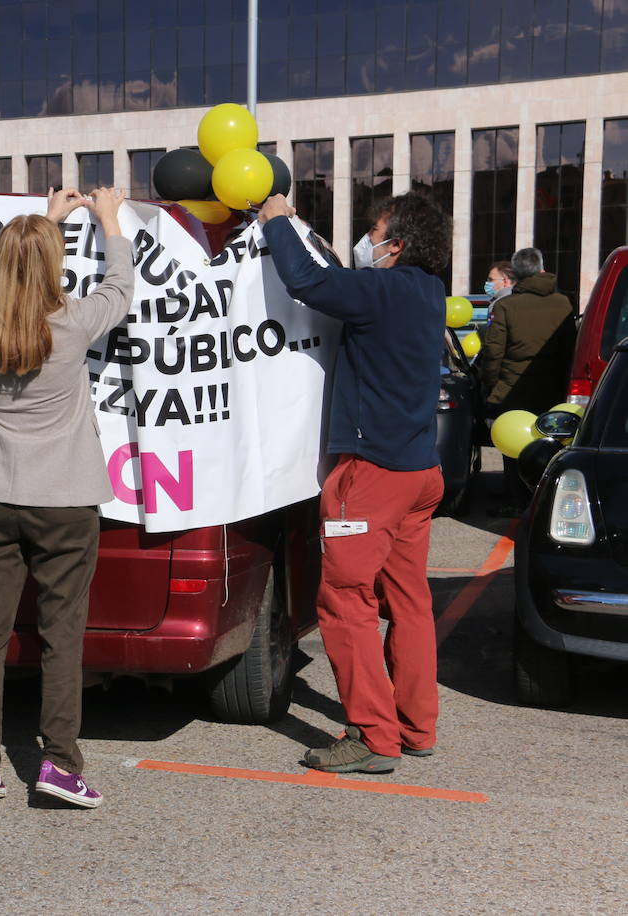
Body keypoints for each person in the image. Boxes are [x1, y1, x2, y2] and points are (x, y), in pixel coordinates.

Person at [0, 186, 131, 808]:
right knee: (61, 636)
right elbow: (121, 286)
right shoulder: (74, 323)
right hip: (64, 500)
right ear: (53, 267)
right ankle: (59, 764)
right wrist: (105, 220)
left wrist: (44, 221)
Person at [258, 192, 450, 774]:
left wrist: (277, 223)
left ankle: (372, 736)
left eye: (376, 230)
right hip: (419, 472)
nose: (368, 238)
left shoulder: (383, 292)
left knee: (345, 601)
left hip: (372, 475)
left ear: (398, 244)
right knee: (409, 601)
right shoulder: (427, 291)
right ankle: (416, 727)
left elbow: (305, 284)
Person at [480, 247, 577, 512]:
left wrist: (491, 385)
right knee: (553, 445)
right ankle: (548, 500)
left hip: (513, 389)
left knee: (513, 447)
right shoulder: (564, 303)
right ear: (541, 269)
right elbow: (571, 350)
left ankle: (517, 501)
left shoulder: (508, 306)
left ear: (517, 274)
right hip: (553, 389)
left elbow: (494, 353)